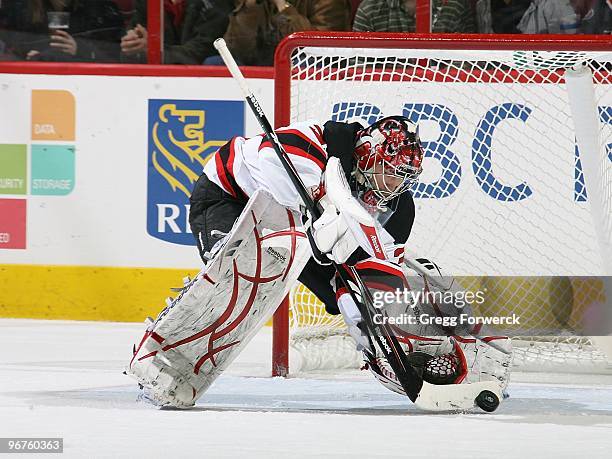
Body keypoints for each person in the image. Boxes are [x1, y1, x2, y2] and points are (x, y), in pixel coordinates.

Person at [222, 0, 352, 66]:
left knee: (302, 64)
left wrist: (283, 6)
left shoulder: (327, 2)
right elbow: (236, 49)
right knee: (219, 62)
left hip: (313, 64)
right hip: (267, 60)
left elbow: (315, 45)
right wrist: (249, 8)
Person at [0, 0, 123, 62]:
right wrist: (28, 57)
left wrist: (80, 50)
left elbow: (116, 56)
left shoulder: (98, 9)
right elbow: (9, 48)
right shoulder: (21, 8)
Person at [121, 0, 233, 64]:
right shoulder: (148, 3)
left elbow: (202, 51)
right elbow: (135, 31)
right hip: (158, 80)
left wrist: (154, 49)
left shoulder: (214, 4)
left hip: (204, 82)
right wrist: (132, 40)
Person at [353, 0, 476, 33]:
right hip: (385, 93)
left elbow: (468, 65)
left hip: (444, 93)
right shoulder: (369, 10)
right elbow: (358, 68)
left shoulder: (456, 6)